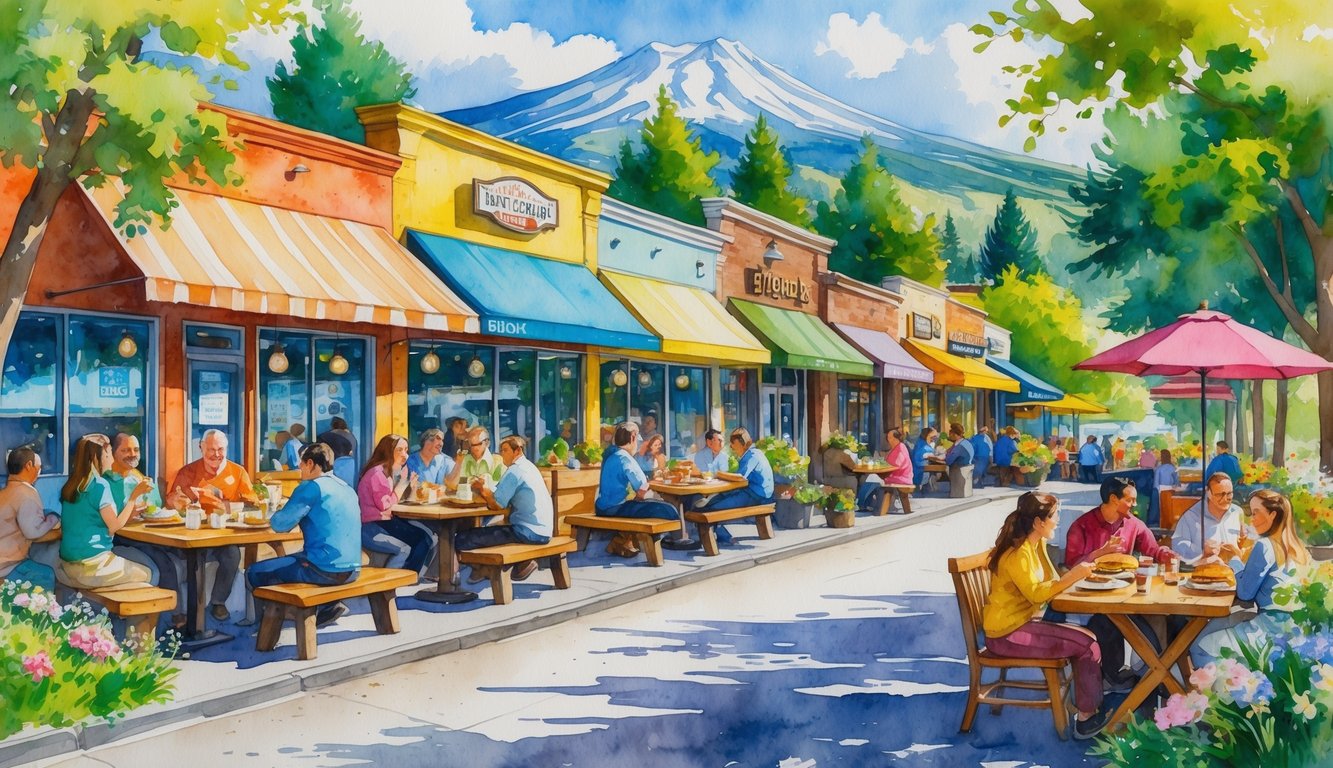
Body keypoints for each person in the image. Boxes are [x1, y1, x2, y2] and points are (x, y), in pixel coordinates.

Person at [983, 492, 1109, 739]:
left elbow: (1053, 581)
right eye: (1055, 516)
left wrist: (1078, 574)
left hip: (1020, 622)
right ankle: (1086, 718)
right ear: (1038, 522)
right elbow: (1037, 595)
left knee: (1090, 631)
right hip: (1006, 633)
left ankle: (1082, 702)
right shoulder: (1018, 554)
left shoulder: (1035, 544)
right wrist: (1073, 577)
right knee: (1089, 645)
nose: (1058, 521)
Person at [1064, 477, 1179, 688]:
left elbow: (1152, 549)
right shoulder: (1082, 525)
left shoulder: (1133, 523)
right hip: (1088, 597)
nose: (1135, 505)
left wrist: (1166, 554)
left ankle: (1153, 676)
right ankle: (1114, 678)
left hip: (1123, 593)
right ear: (1113, 499)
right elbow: (1072, 566)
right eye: (1130, 500)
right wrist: (1101, 553)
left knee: (1158, 618)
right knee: (1106, 624)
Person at [248, 443, 361, 628]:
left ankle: (276, 620)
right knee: (294, 559)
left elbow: (279, 525)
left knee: (255, 572)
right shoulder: (346, 487)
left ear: (310, 463)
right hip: (353, 570)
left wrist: (274, 510)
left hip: (323, 569)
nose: (299, 468)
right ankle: (326, 607)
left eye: (301, 463)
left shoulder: (311, 487)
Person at [1191, 490, 1310, 665]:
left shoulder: (1265, 545)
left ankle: (1214, 691)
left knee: (1200, 645)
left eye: (1256, 513)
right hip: (1294, 628)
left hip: (1270, 628)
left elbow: (1246, 592)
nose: (1252, 519)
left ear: (1272, 515)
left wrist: (1234, 559)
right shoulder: (1298, 547)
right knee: (1220, 623)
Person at [169, 429, 255, 621]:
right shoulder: (188, 472)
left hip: (223, 537)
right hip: (192, 535)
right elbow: (171, 501)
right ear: (201, 448)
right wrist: (176, 501)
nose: (216, 454)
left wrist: (224, 505)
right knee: (193, 556)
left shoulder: (238, 471)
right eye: (211, 449)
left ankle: (218, 602)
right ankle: (190, 616)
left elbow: (252, 504)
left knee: (232, 553)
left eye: (220, 449)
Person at [106, 432, 188, 626]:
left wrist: (171, 505)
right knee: (165, 562)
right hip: (123, 539)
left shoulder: (140, 479)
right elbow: (112, 520)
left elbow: (155, 511)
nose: (132, 454)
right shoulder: (107, 482)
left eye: (136, 450)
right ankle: (177, 620)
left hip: (151, 536)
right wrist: (130, 513)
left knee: (187, 557)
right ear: (113, 453)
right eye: (125, 450)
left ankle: (186, 619)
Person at [56, 435, 159, 590]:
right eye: (109, 454)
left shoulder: (73, 484)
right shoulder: (100, 485)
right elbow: (114, 527)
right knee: (151, 573)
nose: (111, 460)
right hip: (93, 564)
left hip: (68, 563)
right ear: (99, 456)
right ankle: (129, 613)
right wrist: (134, 496)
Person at [455, 435, 552, 583]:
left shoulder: (515, 470)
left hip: (526, 532)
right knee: (488, 532)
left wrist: (481, 489)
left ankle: (483, 569)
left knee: (462, 538)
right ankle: (485, 569)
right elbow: (501, 494)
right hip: (543, 531)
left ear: (517, 451)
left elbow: (497, 505)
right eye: (501, 450)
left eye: (505, 450)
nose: (501, 454)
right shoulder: (529, 467)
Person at [358, 434, 436, 579]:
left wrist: (410, 487)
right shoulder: (377, 473)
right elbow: (384, 504)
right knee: (421, 540)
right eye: (399, 450)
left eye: (406, 450)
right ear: (388, 451)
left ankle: (412, 576)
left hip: (385, 520)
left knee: (427, 537)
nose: (404, 455)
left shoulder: (387, 472)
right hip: (373, 524)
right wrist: (402, 484)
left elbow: (395, 501)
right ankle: (405, 578)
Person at [595, 422, 678, 557]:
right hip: (616, 508)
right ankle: (672, 542)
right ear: (633, 437)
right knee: (669, 509)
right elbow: (642, 487)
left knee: (646, 506)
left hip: (602, 506)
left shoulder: (611, 454)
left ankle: (622, 541)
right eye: (637, 437)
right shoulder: (625, 458)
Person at [692, 427, 774, 546]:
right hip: (753, 492)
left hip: (757, 496)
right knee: (716, 500)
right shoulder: (754, 453)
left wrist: (720, 475)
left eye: (733, 443)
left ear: (743, 443)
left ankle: (714, 537)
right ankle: (718, 535)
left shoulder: (752, 456)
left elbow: (740, 478)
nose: (731, 447)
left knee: (710, 508)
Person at [0, 446, 59, 591]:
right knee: (46, 575)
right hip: (7, 565)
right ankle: (39, 613)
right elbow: (33, 532)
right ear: (28, 466)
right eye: (38, 467)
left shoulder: (5, 492)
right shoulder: (26, 493)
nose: (39, 472)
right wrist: (53, 519)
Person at [1171, 472, 1247, 563]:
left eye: (1229, 494)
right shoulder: (1191, 516)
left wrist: (1238, 548)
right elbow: (1178, 548)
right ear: (1208, 493)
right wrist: (1202, 551)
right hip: (1206, 571)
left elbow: (1243, 542)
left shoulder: (1237, 512)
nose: (1225, 499)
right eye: (1219, 494)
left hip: (1234, 571)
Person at [445, 427, 505, 491]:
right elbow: (452, 485)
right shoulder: (465, 459)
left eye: (478, 444)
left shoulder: (498, 461)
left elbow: (499, 489)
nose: (474, 448)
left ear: (487, 443)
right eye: (472, 445)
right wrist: (459, 462)